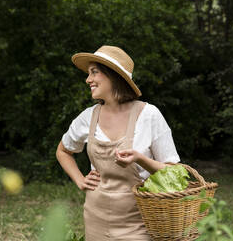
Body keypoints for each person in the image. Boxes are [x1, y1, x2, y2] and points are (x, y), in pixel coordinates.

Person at [56, 45, 180, 240]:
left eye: (94, 72)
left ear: (113, 75)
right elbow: (63, 151)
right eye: (89, 74)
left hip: (139, 222)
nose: (88, 79)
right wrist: (80, 180)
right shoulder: (88, 117)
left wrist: (140, 159)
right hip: (95, 219)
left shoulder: (149, 115)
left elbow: (175, 174)